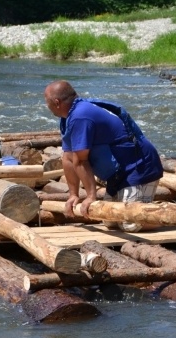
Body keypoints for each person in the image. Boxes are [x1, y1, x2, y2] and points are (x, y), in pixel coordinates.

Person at [44, 80, 164, 231]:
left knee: (131, 224)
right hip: (118, 174)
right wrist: (73, 195)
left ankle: (171, 217)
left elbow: (81, 160)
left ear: (56, 102)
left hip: (139, 167)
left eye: (46, 102)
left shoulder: (81, 116)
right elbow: (68, 157)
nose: (46, 106)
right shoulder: (67, 118)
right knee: (109, 221)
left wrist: (90, 196)